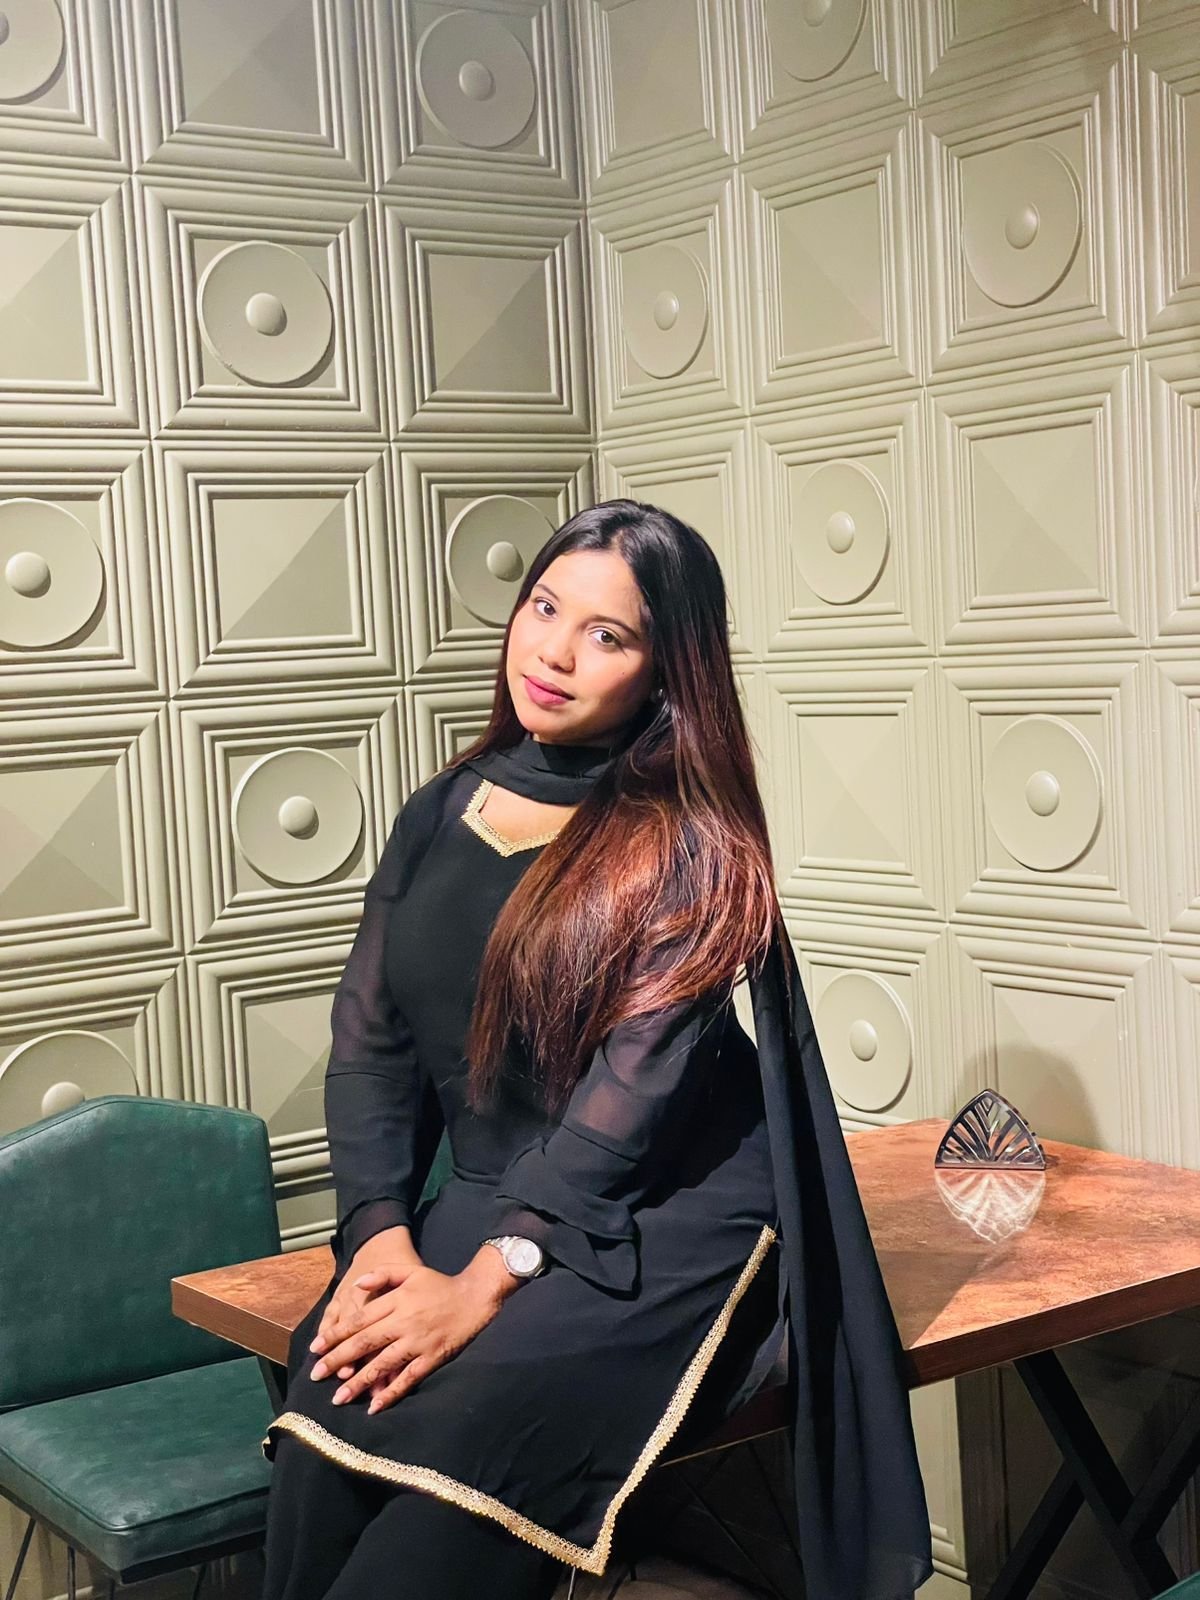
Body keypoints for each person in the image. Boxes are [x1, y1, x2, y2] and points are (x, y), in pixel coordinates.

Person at [260, 500, 934, 1600]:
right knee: (329, 1417)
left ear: (666, 673)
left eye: (606, 635)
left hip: (662, 1213)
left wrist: (484, 1282)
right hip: (488, 1194)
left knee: (466, 1460)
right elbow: (371, 1046)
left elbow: (635, 1097)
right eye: (544, 608)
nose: (554, 653)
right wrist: (377, 1230)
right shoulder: (441, 809)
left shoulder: (693, 844)